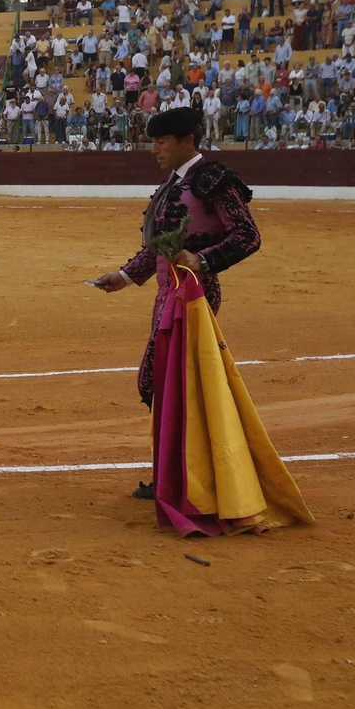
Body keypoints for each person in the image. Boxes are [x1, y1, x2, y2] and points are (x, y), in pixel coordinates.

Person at [88, 107, 262, 497]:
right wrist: (127, 274)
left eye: (161, 141)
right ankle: (183, 472)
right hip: (168, 295)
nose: (154, 150)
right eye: (153, 141)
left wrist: (204, 260)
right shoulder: (176, 181)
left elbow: (248, 235)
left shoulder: (213, 179)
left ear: (187, 141)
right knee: (166, 383)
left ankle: (187, 475)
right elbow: (160, 247)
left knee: (165, 382)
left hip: (194, 297)